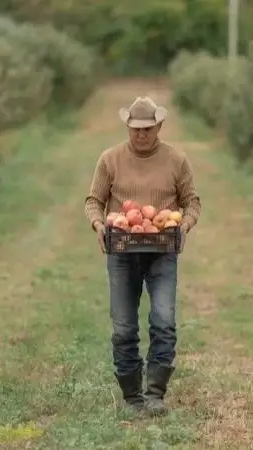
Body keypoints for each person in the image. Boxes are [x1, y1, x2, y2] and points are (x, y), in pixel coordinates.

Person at [84, 96, 202, 416]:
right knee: (123, 326)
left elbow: (192, 202)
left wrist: (185, 226)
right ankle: (132, 397)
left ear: (159, 126)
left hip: (162, 248)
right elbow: (94, 201)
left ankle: (155, 394)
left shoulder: (176, 160)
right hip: (122, 248)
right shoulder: (110, 159)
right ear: (127, 127)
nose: (141, 135)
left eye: (147, 129)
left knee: (163, 321)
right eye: (135, 129)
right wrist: (98, 225)